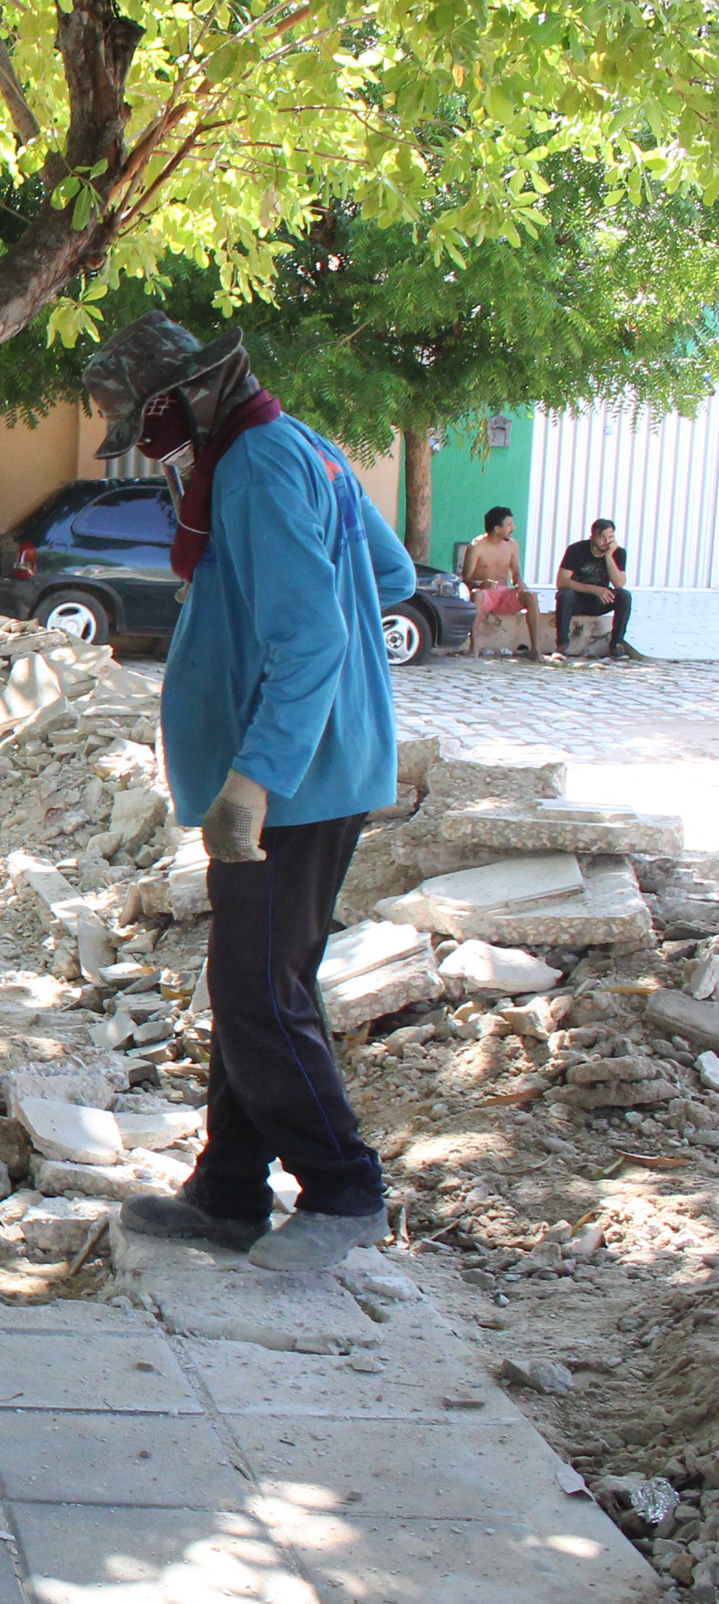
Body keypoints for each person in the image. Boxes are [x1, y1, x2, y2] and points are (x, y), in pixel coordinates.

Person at [82, 312, 412, 1272]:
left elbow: (312, 638)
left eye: (150, 419)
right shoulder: (295, 443)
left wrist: (254, 778)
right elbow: (384, 573)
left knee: (257, 991)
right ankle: (228, 1193)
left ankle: (345, 1188)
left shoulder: (261, 466)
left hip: (294, 779)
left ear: (188, 396)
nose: (150, 444)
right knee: (256, 982)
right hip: (316, 760)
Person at [462, 505, 558, 661]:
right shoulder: (477, 546)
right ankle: (474, 648)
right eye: (509, 525)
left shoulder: (512, 545)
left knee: (530, 596)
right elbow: (464, 578)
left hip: (504, 594)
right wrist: (481, 584)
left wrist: (520, 583)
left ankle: (535, 649)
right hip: (485, 594)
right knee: (476, 595)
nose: (514, 528)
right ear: (497, 528)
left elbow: (516, 574)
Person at [556, 517, 634, 657]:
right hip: (577, 599)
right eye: (602, 537)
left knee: (624, 596)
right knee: (565, 593)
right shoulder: (576, 550)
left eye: (610, 537)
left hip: (600, 601)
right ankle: (562, 645)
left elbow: (619, 583)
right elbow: (562, 581)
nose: (606, 542)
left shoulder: (618, 553)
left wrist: (609, 557)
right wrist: (594, 589)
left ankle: (616, 644)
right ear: (592, 537)